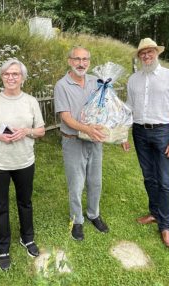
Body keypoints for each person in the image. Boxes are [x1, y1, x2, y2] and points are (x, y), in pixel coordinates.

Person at [0, 59, 45, 270]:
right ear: (2, 77)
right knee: (0, 206)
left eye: (15, 74)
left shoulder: (31, 102)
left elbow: (41, 130)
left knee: (25, 202)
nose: (11, 77)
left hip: (24, 161)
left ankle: (27, 238)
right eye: (7, 74)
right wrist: (0, 138)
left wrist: (27, 131)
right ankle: (3, 247)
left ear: (22, 78)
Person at [123, 38, 169, 248]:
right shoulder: (133, 79)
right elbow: (128, 109)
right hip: (140, 132)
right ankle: (154, 213)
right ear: (139, 56)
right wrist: (123, 134)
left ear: (156, 53)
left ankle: (165, 225)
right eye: (143, 53)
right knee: (149, 177)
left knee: (164, 180)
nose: (146, 56)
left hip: (162, 132)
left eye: (150, 51)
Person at [54, 46, 109, 241]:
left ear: (89, 62)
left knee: (95, 182)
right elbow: (66, 117)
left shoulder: (97, 81)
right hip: (73, 141)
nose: (81, 63)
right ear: (70, 61)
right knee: (76, 184)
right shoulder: (62, 85)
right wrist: (87, 129)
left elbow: (106, 107)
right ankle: (77, 220)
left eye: (85, 59)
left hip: (94, 141)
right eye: (77, 59)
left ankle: (93, 214)